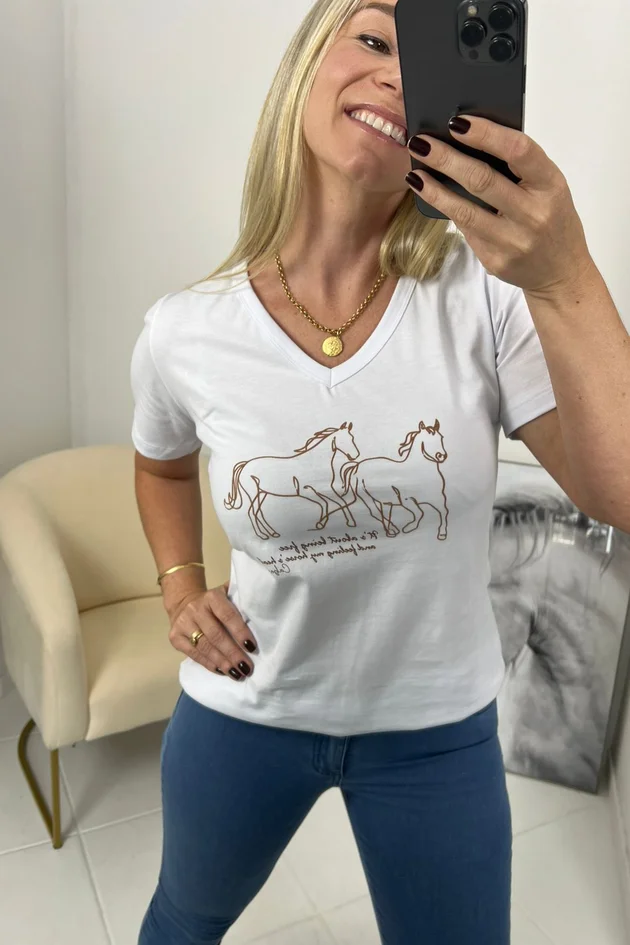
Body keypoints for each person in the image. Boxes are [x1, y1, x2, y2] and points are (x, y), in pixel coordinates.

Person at [131, 1, 557, 942]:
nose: (398, 75)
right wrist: (180, 587)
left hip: (437, 729)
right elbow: (161, 465)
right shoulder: (184, 329)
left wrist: (560, 271)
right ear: (305, 63)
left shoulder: (490, 297)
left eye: (428, 61)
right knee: (183, 921)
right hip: (249, 703)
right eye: (372, 38)